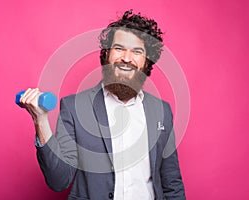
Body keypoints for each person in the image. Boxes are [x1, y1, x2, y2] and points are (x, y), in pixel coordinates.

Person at [20, 10, 186, 200]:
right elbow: (59, 180)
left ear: (146, 61)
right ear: (106, 54)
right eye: (119, 48)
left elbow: (172, 183)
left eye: (137, 51)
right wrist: (40, 121)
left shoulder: (161, 111)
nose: (126, 57)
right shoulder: (74, 107)